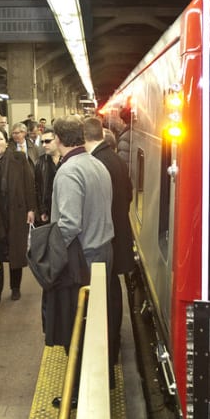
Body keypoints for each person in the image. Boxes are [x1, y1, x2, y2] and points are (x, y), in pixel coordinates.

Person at [45, 116, 114, 408]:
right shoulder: (96, 163)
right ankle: (99, 381)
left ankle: (79, 393)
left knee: (77, 326)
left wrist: (45, 248)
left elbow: (69, 224)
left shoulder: (70, 170)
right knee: (94, 324)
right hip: (102, 252)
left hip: (82, 259)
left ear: (59, 138)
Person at [84, 116, 135, 386]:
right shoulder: (115, 159)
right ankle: (113, 343)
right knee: (112, 293)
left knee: (107, 298)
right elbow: (127, 195)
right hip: (118, 236)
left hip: (108, 240)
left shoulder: (97, 163)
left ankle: (110, 348)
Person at [0, 126, 36, 302]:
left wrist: (31, 208)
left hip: (16, 212)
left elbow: (29, 183)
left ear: (6, 142)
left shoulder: (18, 158)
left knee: (15, 252)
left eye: (0, 139)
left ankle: (15, 287)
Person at [34, 125, 60, 226]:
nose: (44, 145)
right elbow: (37, 188)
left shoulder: (67, 160)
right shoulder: (40, 163)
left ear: (57, 139)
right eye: (42, 142)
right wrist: (42, 210)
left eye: (48, 141)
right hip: (48, 211)